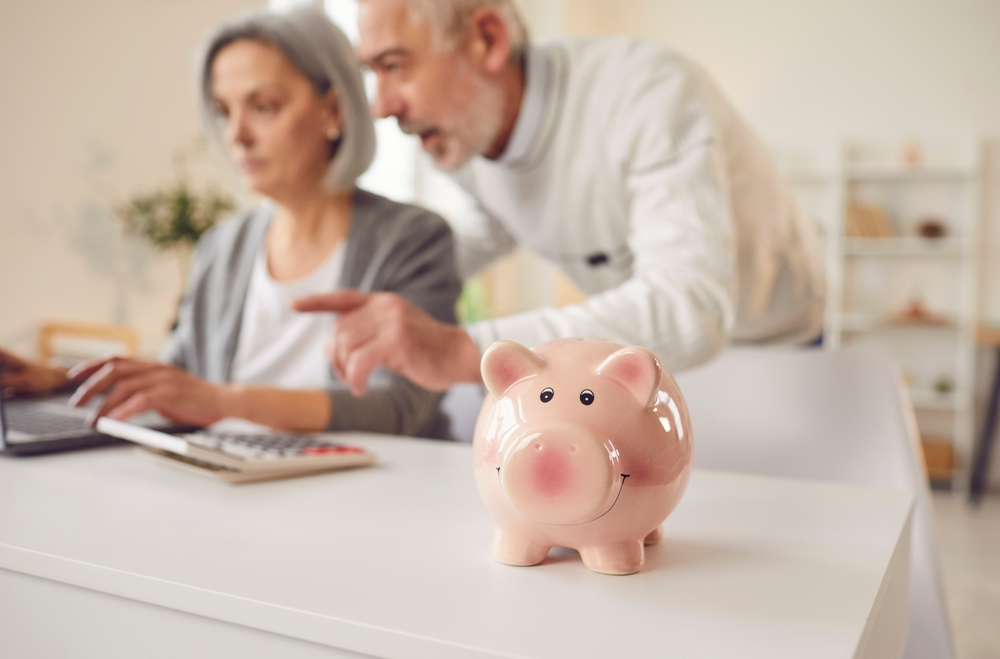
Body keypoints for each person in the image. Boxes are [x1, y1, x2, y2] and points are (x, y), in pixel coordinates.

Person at [294, 0, 826, 396]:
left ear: (487, 38)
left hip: (778, 347)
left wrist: (460, 349)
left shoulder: (647, 93)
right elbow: (491, 226)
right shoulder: (465, 134)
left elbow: (690, 310)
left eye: (395, 66)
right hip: (650, 357)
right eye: (372, 73)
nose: (382, 106)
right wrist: (379, 279)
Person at [9, 6, 461, 439]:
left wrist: (226, 401)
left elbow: (401, 406)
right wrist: (60, 379)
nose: (236, 136)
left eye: (263, 106)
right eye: (224, 111)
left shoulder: (413, 238)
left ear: (334, 110)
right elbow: (176, 378)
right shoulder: (222, 246)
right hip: (229, 482)